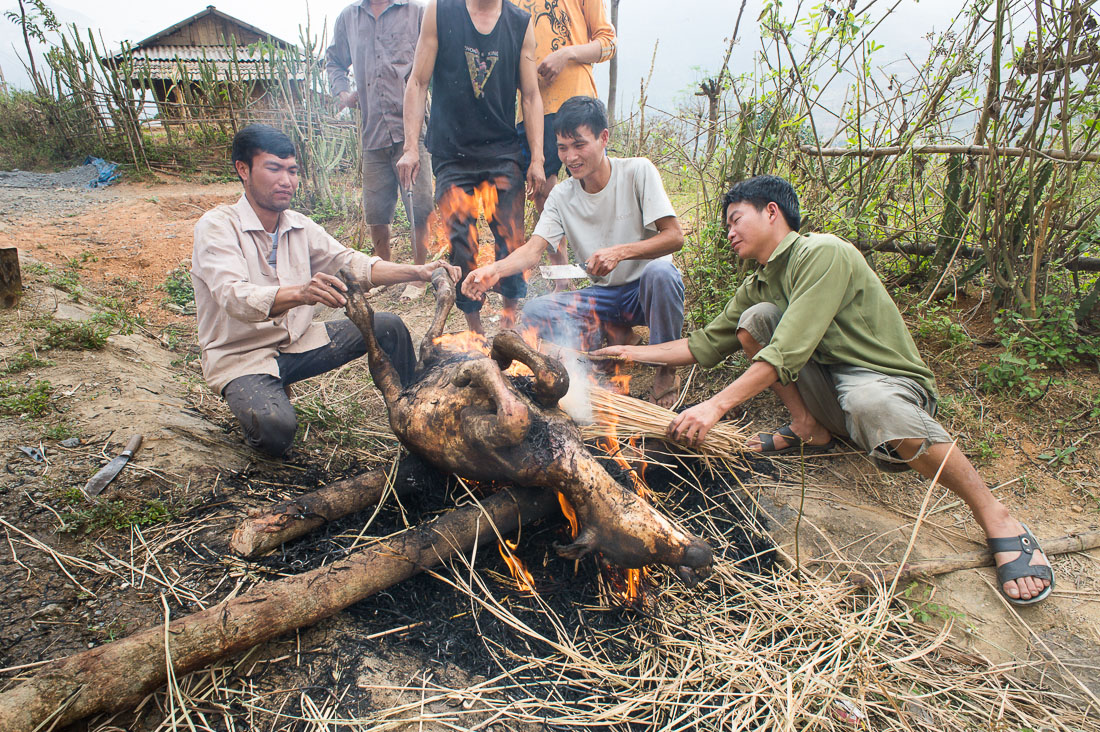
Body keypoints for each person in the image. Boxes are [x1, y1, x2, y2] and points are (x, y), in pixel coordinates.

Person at [595, 175, 1054, 606]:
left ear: (772, 211)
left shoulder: (822, 252)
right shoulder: (759, 282)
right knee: (756, 321)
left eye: (736, 219)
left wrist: (713, 407)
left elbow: (785, 354)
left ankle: (996, 514)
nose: (729, 232)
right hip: (833, 393)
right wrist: (630, 355)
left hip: (883, 384)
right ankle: (809, 427)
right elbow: (702, 344)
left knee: (867, 402)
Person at [191, 124, 458, 457]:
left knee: (389, 326)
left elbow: (352, 262)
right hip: (243, 356)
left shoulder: (298, 225)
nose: (286, 180)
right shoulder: (217, 226)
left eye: (292, 171)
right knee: (274, 430)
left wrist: (417, 271)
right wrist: (302, 293)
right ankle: (262, 397)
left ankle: (416, 414)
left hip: (298, 343)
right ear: (243, 170)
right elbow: (233, 297)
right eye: (273, 169)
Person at [462, 96, 686, 407]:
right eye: (563, 147)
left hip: (644, 293)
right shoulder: (562, 196)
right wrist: (494, 270)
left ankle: (666, 368)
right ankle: (600, 350)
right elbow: (533, 251)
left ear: (603, 138)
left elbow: (674, 237)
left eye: (579, 145)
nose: (570, 157)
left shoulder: (637, 172)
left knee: (662, 274)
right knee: (538, 309)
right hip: (604, 298)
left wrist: (620, 252)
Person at [398, 0, 545, 333]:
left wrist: (537, 158)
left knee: (511, 239)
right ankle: (475, 330)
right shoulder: (440, 11)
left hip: (502, 150)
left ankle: (509, 322)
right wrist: (410, 148)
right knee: (461, 242)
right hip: (452, 152)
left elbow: (532, 94)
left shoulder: (519, 22)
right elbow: (418, 82)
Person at [326, 0, 434, 268]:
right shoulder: (349, 17)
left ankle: (419, 272)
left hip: (412, 130)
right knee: (375, 211)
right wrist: (343, 92)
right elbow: (334, 61)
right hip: (373, 130)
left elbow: (437, 57)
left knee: (420, 207)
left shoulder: (416, 13)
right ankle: (383, 271)